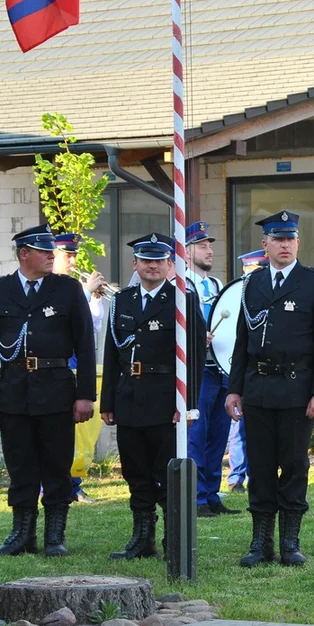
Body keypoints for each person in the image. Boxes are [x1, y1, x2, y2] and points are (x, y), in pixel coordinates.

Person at [0, 224, 96, 557]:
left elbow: (86, 345)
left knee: (57, 464)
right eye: (44, 251)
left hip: (56, 389)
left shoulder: (67, 289)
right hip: (13, 390)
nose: (51, 256)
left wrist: (85, 394)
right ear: (24, 254)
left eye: (51, 251)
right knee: (20, 465)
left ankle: (55, 534)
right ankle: (21, 533)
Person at [226, 210, 314, 567]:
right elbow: (242, 341)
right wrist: (234, 389)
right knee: (259, 467)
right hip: (258, 389)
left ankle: (290, 540)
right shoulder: (252, 283)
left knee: (292, 465)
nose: (284, 244)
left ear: (298, 242)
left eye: (290, 238)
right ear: (265, 244)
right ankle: (261, 541)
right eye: (278, 239)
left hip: (297, 389)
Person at [100, 233, 205, 558]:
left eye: (159, 260)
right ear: (135, 264)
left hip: (165, 399)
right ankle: (142, 537)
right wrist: (107, 402)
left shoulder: (182, 299)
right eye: (146, 260)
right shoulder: (123, 300)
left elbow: (196, 356)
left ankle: (172, 539)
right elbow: (112, 352)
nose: (152, 265)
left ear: (170, 265)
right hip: (130, 396)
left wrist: (186, 403)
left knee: (165, 471)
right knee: (135, 470)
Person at [184, 221, 238, 517]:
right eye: (203, 245)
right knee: (198, 434)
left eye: (210, 245)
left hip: (219, 367)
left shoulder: (217, 286)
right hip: (197, 370)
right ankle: (196, 497)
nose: (210, 250)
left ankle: (211, 492)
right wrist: (196, 335)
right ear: (188, 251)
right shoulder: (182, 284)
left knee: (218, 434)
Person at [52, 232, 107, 503]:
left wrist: (95, 297)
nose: (72, 260)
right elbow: (62, 321)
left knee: (77, 429)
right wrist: (86, 292)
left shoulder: (73, 285)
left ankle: (73, 482)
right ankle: (54, 482)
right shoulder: (54, 287)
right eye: (67, 255)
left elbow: (91, 328)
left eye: (74, 255)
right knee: (57, 427)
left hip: (75, 360)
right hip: (57, 363)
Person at [225, 248, 269, 494]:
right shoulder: (239, 294)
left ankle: (254, 473)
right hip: (242, 367)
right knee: (239, 427)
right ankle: (235, 476)